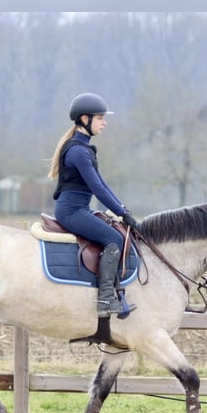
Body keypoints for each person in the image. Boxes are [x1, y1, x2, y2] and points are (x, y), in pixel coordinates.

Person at [48, 92, 140, 318]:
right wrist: (121, 211)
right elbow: (97, 189)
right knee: (114, 238)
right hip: (71, 211)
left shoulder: (83, 148)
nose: (105, 122)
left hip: (80, 208)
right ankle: (105, 299)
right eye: (100, 118)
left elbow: (102, 185)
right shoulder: (78, 151)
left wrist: (123, 210)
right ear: (84, 119)